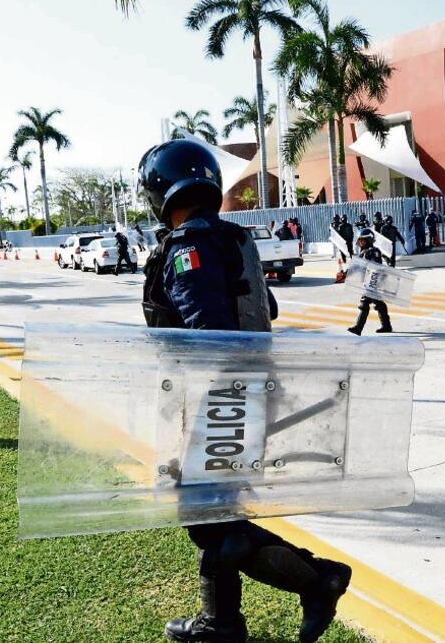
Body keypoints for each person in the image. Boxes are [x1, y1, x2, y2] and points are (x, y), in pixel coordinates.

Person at [137, 139, 352, 643]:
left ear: (160, 190)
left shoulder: (187, 246)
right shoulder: (231, 240)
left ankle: (319, 580)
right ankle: (222, 623)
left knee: (212, 525)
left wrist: (209, 408)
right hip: (245, 394)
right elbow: (264, 310)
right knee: (216, 516)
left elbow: (211, 332)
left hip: (220, 399)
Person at [348, 228, 392, 335]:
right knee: (379, 303)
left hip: (372, 282)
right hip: (372, 281)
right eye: (360, 240)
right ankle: (386, 326)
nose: (360, 242)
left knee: (364, 303)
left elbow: (374, 266)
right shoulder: (365, 251)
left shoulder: (372, 251)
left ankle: (358, 328)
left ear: (369, 240)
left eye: (363, 240)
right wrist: (347, 272)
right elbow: (358, 266)